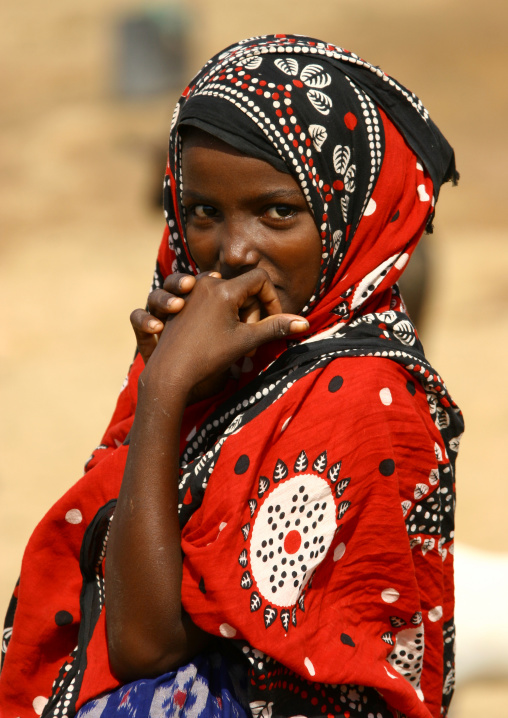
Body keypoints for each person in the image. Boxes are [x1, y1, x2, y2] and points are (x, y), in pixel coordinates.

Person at [0, 34, 463, 718]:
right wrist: (172, 388)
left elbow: (144, 644)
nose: (233, 251)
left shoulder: (366, 396)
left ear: (344, 219)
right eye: (203, 213)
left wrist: (164, 395)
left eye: (278, 212)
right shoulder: (235, 371)